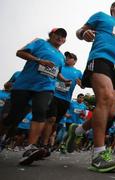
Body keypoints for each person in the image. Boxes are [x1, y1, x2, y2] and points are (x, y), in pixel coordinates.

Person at [76, 0, 115, 172]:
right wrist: (84, 33)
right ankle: (99, 155)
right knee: (105, 98)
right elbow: (79, 31)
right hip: (101, 59)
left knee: (110, 112)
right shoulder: (101, 16)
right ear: (112, 8)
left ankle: (79, 130)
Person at [0, 28, 71, 166]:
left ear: (64, 40)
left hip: (46, 88)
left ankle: (29, 148)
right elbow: (19, 52)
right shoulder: (40, 43)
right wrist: (39, 60)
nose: (60, 37)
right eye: (57, 34)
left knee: (41, 111)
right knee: (12, 116)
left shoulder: (61, 57)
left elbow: (57, 72)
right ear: (51, 35)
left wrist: (64, 80)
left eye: (63, 36)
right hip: (24, 85)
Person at [42, 51, 82, 155]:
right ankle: (44, 144)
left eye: (70, 57)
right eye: (66, 57)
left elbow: (83, 86)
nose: (67, 58)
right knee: (51, 119)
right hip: (54, 95)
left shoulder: (77, 72)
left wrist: (80, 83)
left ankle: (48, 140)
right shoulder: (60, 67)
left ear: (75, 61)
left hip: (66, 100)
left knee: (56, 123)